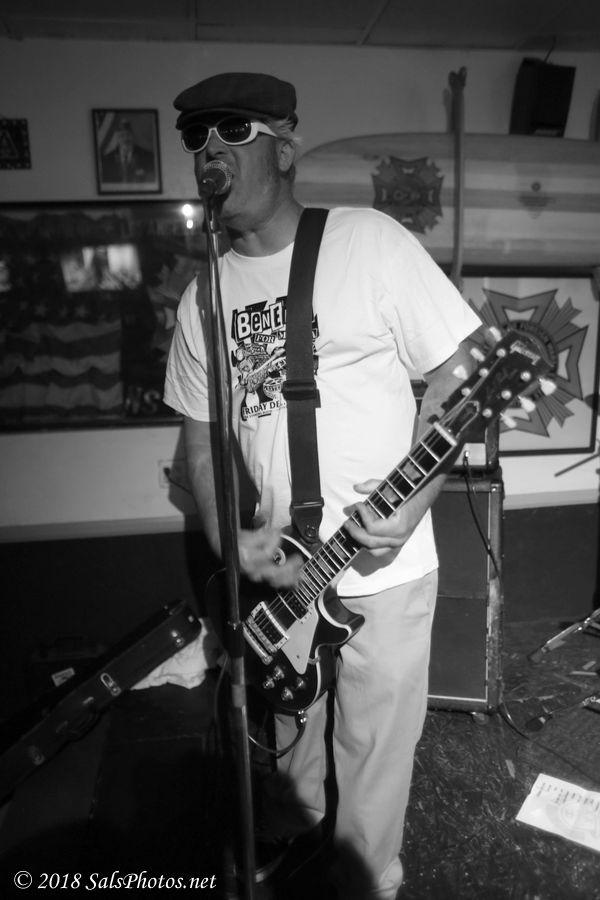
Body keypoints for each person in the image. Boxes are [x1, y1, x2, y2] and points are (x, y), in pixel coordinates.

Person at [164, 72, 482, 899]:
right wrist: (224, 538)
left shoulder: (368, 242)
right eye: (196, 137)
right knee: (290, 741)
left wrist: (418, 498)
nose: (210, 150)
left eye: (233, 131)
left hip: (386, 566)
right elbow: (201, 435)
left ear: (284, 146)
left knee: (375, 751)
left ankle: (366, 879)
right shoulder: (203, 297)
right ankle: (293, 846)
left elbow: (458, 374)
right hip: (282, 573)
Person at [100, 118, 156, 184]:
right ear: (117, 138)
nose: (125, 138)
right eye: (122, 135)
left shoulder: (147, 156)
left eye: (128, 134)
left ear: (133, 135)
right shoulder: (107, 159)